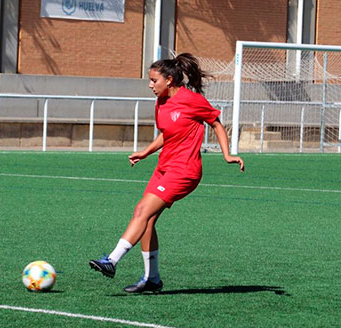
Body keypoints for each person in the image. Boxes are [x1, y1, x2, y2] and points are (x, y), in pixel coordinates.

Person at [89, 53, 244, 293]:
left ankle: (111, 260)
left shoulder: (191, 100)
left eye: (153, 80)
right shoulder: (161, 101)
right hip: (164, 167)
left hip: (184, 171)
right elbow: (166, 133)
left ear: (169, 80)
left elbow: (215, 123)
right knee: (147, 220)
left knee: (142, 211)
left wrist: (227, 154)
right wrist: (146, 152)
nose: (150, 85)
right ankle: (152, 279)